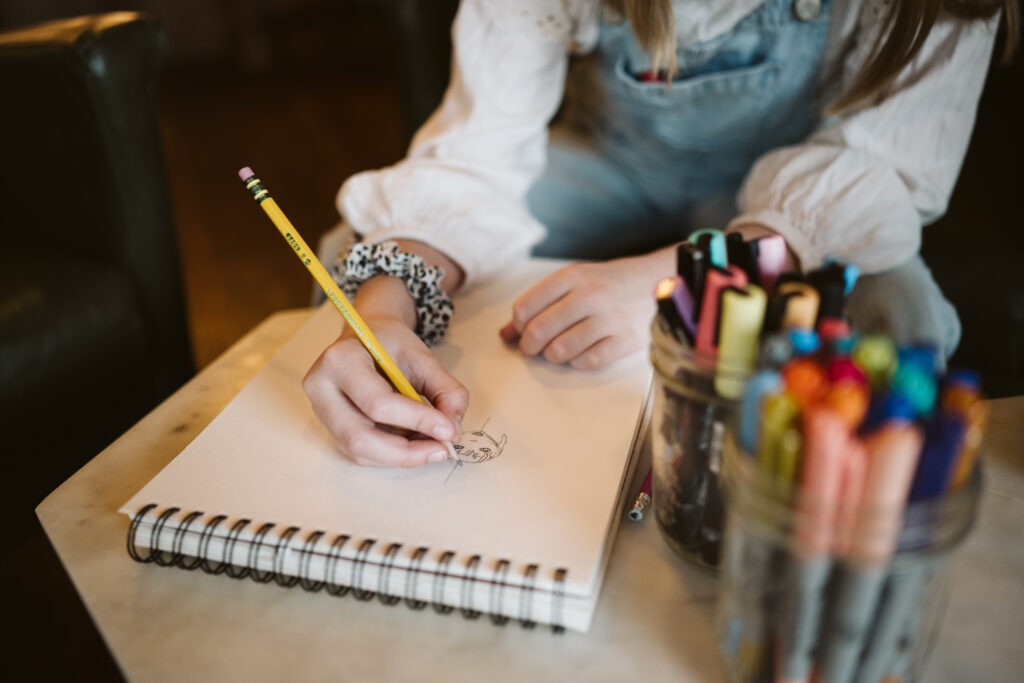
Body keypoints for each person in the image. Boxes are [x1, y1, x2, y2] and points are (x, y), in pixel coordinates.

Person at [304, 0, 1018, 468]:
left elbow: (879, 173)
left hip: (806, 196)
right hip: (614, 159)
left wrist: (674, 278)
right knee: (353, 256)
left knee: (901, 316)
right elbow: (476, 155)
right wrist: (386, 305)